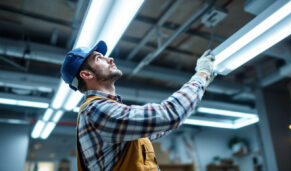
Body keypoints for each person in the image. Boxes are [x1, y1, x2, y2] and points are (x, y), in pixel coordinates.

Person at [61, 40, 215, 171]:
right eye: (99, 58)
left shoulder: (105, 113)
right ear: (87, 75)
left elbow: (155, 129)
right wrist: (201, 76)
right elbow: (170, 115)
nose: (110, 59)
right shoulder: (96, 110)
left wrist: (201, 85)